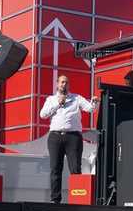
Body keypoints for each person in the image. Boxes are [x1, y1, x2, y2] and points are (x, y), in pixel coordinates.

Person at [39, 75, 97, 203]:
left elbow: (90, 108)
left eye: (66, 82)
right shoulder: (51, 99)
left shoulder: (76, 98)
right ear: (57, 84)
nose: (64, 85)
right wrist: (58, 104)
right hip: (55, 136)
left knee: (75, 168)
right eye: (62, 82)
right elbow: (43, 115)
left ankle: (77, 198)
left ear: (68, 85)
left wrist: (93, 102)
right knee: (55, 168)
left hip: (73, 137)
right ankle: (55, 199)